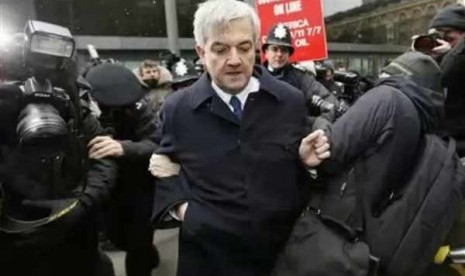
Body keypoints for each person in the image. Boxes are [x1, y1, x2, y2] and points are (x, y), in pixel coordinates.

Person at [149, 1, 330, 275]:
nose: (234, 60)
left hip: (278, 258)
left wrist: (304, 163)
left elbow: (301, 182)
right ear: (201, 51)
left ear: (257, 47)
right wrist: (186, 212)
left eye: (244, 48)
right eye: (220, 49)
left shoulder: (289, 101)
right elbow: (163, 172)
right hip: (208, 259)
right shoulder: (178, 109)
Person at [0, 59, 117, 276]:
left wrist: (80, 205)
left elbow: (104, 158)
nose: (34, 89)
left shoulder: (75, 108)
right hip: (15, 242)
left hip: (79, 238)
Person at [85, 63, 160, 276]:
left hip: (139, 184)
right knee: (117, 236)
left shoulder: (138, 107)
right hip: (103, 188)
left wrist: (123, 148)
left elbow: (157, 142)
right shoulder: (84, 109)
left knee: (140, 242)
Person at [262, 24, 339, 122]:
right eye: (275, 49)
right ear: (266, 52)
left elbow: (330, 101)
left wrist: (320, 123)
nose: (279, 54)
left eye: (284, 50)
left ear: (289, 54)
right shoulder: (255, 76)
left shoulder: (301, 78)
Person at [428, 4, 465, 157]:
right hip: (445, 144)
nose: (443, 42)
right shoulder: (442, 60)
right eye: (438, 37)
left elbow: (447, 76)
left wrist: (451, 54)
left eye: (449, 36)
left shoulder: (456, 59)